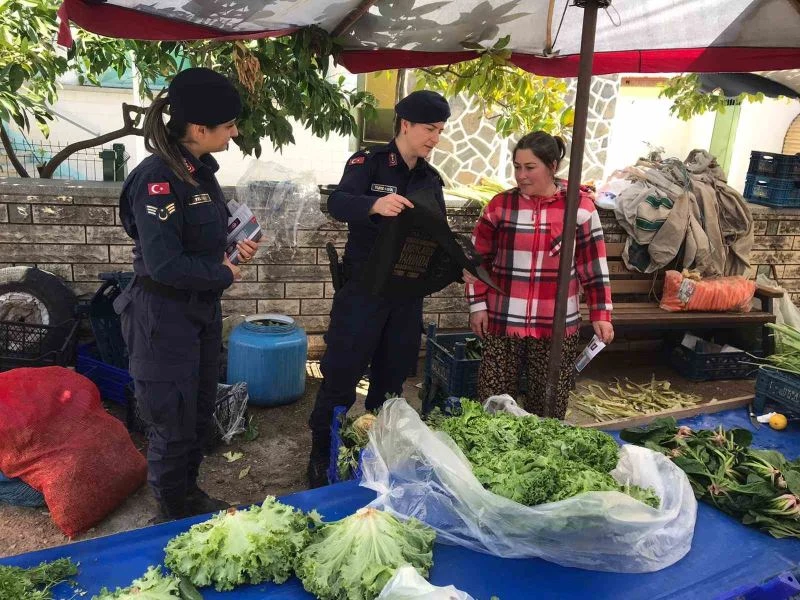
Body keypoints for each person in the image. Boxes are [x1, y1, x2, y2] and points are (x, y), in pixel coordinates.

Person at [306, 90, 477, 488]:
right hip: (363, 293)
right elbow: (338, 202)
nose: (436, 138)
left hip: (405, 297)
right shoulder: (369, 163)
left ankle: (378, 453)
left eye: (440, 131)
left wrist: (459, 270)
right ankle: (321, 452)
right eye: (429, 129)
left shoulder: (430, 179)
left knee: (393, 376)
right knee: (341, 374)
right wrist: (373, 206)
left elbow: (435, 238)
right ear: (405, 125)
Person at [115, 67, 260, 523]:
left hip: (198, 312)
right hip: (163, 317)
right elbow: (165, 264)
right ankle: (170, 509)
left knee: (198, 414)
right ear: (199, 129)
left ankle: (186, 494)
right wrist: (224, 271)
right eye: (229, 125)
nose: (235, 133)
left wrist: (233, 245)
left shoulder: (199, 173)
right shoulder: (158, 178)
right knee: (172, 423)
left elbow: (198, 240)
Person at [466, 131, 613, 418]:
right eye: (517, 167)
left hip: (557, 323)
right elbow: (475, 261)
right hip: (503, 319)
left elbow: (593, 266)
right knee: (494, 401)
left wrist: (602, 314)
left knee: (549, 402)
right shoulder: (500, 206)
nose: (521, 175)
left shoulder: (579, 208)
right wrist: (478, 305)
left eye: (530, 167)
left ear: (553, 166)